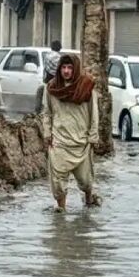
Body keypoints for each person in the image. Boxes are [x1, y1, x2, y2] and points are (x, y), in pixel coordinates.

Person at [42, 54, 100, 211]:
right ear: (59, 69)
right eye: (63, 67)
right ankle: (61, 210)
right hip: (59, 142)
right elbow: (47, 113)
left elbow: (93, 113)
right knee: (58, 181)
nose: (66, 71)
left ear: (75, 69)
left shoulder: (86, 87)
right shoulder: (52, 88)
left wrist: (92, 137)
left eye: (70, 68)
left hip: (81, 142)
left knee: (86, 180)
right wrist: (47, 134)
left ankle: (89, 200)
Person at [36, 40, 63, 113]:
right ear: (60, 48)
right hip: (57, 83)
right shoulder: (60, 58)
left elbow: (46, 69)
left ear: (51, 47)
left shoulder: (47, 56)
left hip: (47, 81)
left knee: (46, 102)